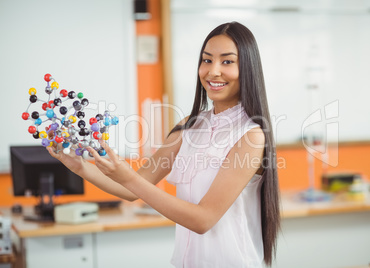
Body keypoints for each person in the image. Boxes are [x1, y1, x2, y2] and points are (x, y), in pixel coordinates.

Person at [48, 21, 280, 267]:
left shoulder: (251, 135)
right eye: (207, 60)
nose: (213, 71)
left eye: (227, 61)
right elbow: (131, 190)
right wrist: (81, 167)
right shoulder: (190, 125)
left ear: (248, 68)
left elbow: (203, 219)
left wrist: (129, 178)